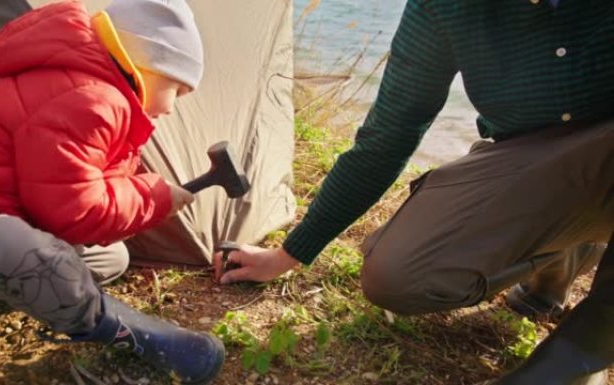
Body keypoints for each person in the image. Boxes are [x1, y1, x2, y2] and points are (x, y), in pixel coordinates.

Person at [215, 0, 614, 383]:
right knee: (399, 275)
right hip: (529, 160)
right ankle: (569, 243)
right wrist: (290, 253)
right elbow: (389, 134)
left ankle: (573, 360)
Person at [0, 0, 224, 383]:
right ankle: (127, 333)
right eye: (176, 90)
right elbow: (73, 211)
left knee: (109, 258)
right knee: (16, 246)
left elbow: (75, 192)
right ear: (145, 67)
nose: (171, 108)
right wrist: (154, 198)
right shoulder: (94, 100)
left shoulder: (95, 94)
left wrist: (146, 194)